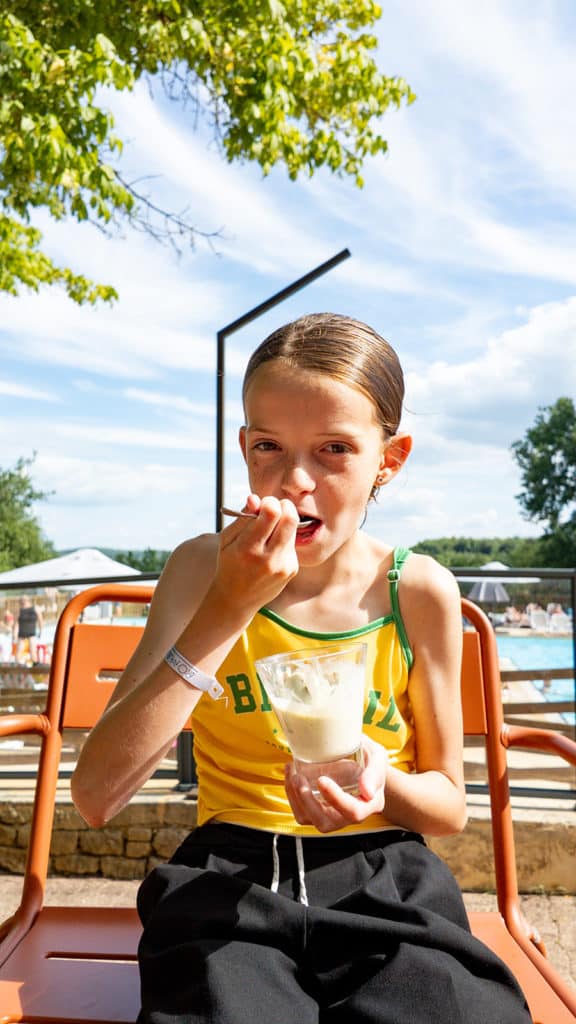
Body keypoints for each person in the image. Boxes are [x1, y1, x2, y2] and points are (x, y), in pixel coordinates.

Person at [71, 313, 531, 1023]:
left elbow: (449, 806)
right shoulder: (202, 570)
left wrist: (382, 784)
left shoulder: (418, 592)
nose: (294, 481)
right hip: (228, 876)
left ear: (391, 457)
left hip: (387, 875)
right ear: (242, 447)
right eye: (268, 448)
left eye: (335, 449)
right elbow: (98, 794)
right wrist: (229, 605)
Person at [15, 596, 43, 665]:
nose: (23, 602)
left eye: (24, 600)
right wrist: (14, 635)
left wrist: (41, 631)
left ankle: (35, 667)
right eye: (21, 600)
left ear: (28, 600)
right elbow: (16, 624)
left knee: (33, 651)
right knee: (19, 651)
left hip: (31, 633)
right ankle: (18, 667)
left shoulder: (35, 609)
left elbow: (40, 620)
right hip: (22, 634)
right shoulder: (19, 610)